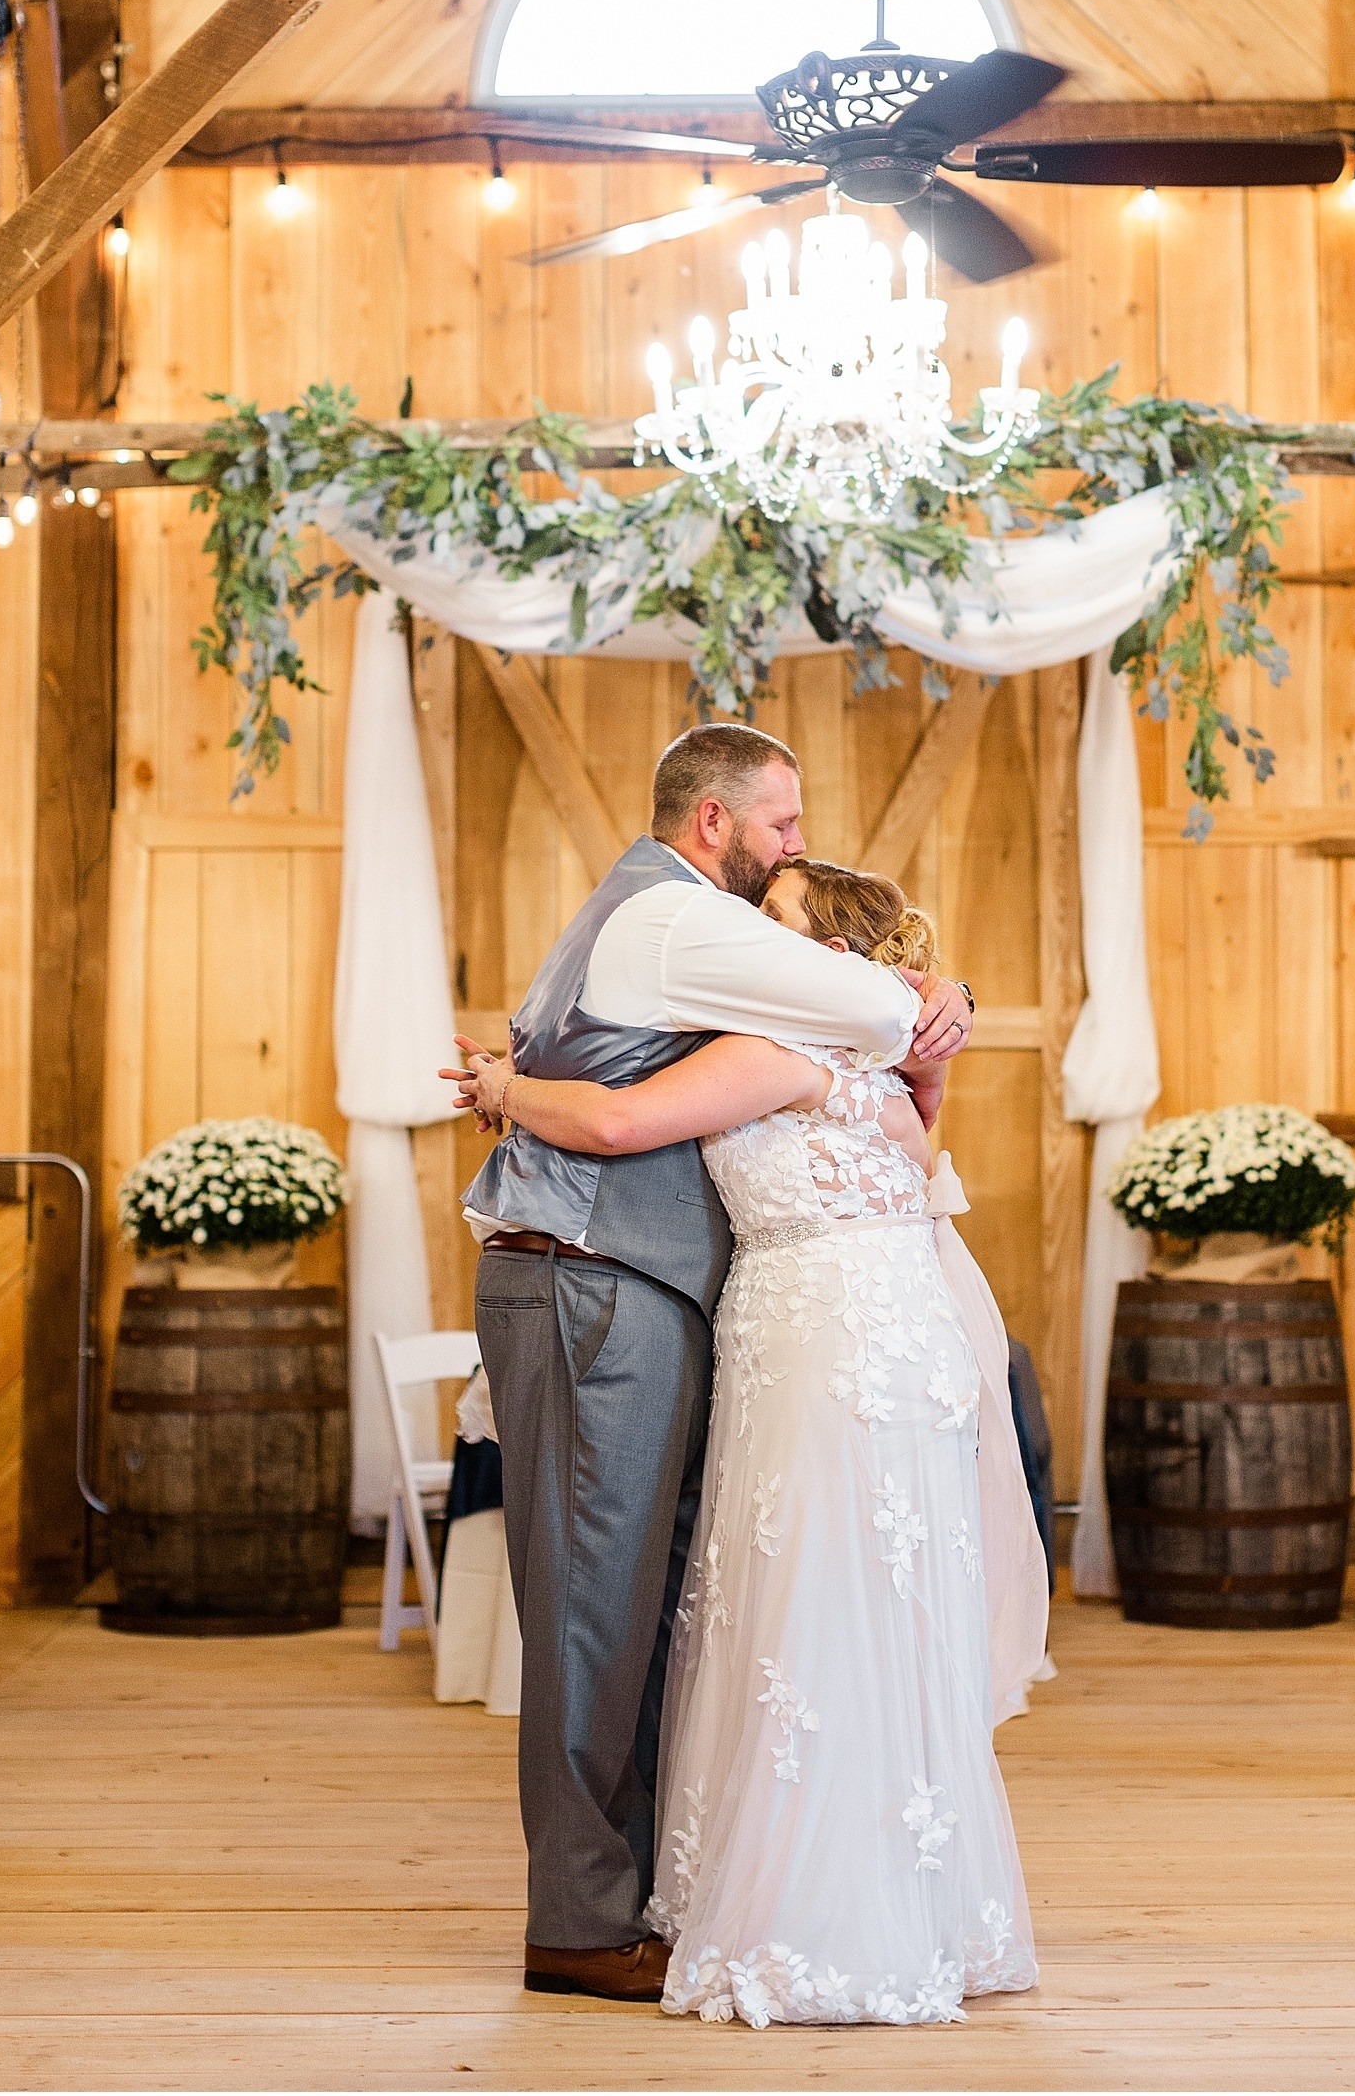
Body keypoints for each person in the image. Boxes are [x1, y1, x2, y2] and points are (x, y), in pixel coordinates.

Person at [461, 856, 1044, 2028]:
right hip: (881, 1338)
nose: (746, 939)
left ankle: (815, 1915)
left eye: (769, 924)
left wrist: (500, 1085)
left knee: (809, 1614)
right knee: (874, 1615)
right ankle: (914, 1902)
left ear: (821, 954)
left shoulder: (778, 1046)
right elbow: (917, 1095)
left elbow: (620, 1119)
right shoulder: (884, 1057)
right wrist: (942, 1000)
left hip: (826, 1341)